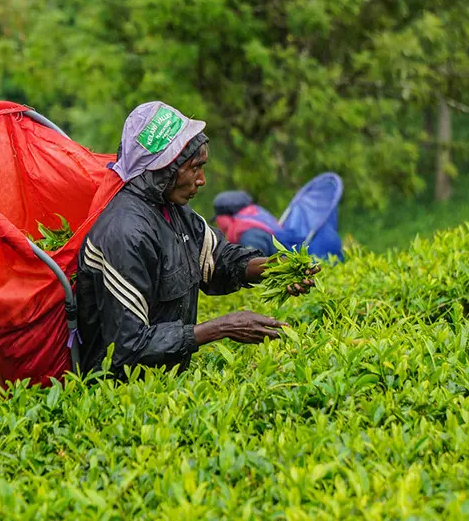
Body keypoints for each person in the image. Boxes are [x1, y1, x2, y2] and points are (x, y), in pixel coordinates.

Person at [76, 101, 319, 379]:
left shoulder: (172, 210)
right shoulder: (125, 232)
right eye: (194, 168)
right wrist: (223, 327)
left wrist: (275, 268)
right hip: (118, 391)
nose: (202, 180)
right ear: (164, 168)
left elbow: (219, 259)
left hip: (163, 385)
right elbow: (127, 348)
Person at [212, 190, 291, 257]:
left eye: (218, 219)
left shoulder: (249, 235)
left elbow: (254, 265)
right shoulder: (259, 221)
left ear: (226, 217)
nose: (218, 224)